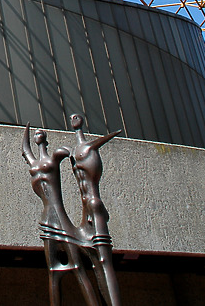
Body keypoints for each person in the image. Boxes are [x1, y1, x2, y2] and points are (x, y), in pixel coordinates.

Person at [22, 123, 101, 306]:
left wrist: (75, 156)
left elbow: (67, 152)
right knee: (53, 272)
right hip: (47, 219)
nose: (38, 134)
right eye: (36, 134)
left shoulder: (54, 158)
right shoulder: (33, 162)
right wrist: (26, 131)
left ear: (45, 140)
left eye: (41, 132)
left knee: (78, 268)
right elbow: (25, 150)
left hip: (61, 219)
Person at [69, 114, 122, 306]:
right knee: (94, 260)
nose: (73, 119)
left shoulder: (89, 147)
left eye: (76, 118)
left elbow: (109, 137)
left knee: (104, 260)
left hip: (94, 203)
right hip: (85, 209)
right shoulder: (74, 151)